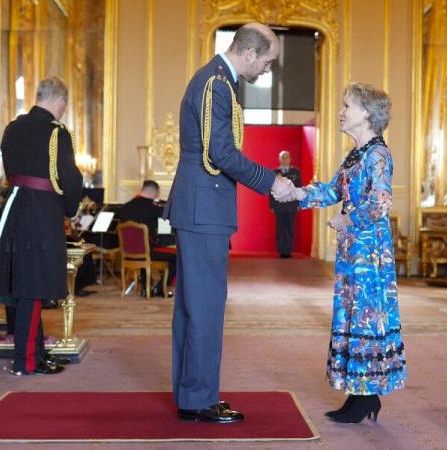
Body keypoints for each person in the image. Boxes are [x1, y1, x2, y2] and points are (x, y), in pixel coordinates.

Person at [163, 23, 295, 423]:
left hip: (202, 207)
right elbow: (220, 152)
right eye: (268, 62)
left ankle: (191, 395)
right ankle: (200, 399)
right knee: (203, 307)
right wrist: (271, 181)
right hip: (203, 209)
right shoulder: (216, 84)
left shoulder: (220, 82)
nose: (268, 71)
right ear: (250, 54)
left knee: (194, 306)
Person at [281, 82, 406, 423]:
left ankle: (367, 396)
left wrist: (348, 219)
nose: (340, 111)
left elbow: (381, 203)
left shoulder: (378, 154)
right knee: (353, 313)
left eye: (347, 106)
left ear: (366, 112)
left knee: (365, 313)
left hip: (369, 250)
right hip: (354, 247)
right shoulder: (357, 154)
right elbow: (332, 189)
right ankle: (359, 393)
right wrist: (296, 193)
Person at [0, 76, 83, 375]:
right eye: (65, 104)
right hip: (41, 214)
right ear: (59, 100)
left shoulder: (12, 128)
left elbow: (11, 171)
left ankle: (38, 354)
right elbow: (69, 178)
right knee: (33, 288)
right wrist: (69, 209)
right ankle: (27, 362)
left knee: (25, 284)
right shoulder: (57, 133)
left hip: (14, 208)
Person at [117, 179, 174, 297]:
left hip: (127, 253)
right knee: (178, 256)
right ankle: (158, 288)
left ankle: (145, 286)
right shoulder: (152, 208)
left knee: (146, 247)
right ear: (155, 193)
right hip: (148, 253)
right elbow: (169, 215)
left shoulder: (124, 208)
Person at [269, 150, 302, 258]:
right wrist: (272, 205)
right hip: (279, 205)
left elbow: (299, 188)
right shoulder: (274, 172)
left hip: (291, 205)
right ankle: (281, 251)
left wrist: (299, 203)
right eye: (283, 157)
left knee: (290, 228)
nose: (285, 159)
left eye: (286, 157)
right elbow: (271, 189)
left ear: (290, 159)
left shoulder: (295, 172)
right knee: (280, 228)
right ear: (279, 159)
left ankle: (288, 251)